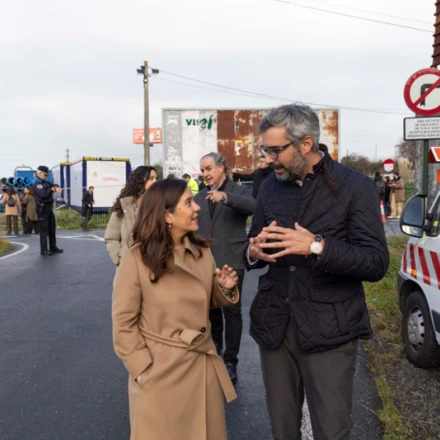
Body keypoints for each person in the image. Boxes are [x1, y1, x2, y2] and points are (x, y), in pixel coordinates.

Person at [245, 104, 389, 440]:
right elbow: (255, 242)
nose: (269, 158)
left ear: (305, 144)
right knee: (283, 430)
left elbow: (375, 262)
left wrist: (316, 246)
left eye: (276, 150)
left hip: (331, 329)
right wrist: (253, 252)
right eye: (265, 149)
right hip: (276, 326)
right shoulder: (269, 187)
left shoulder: (354, 186)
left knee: (331, 430)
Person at [112, 178, 239, 440]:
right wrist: (143, 370)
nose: (198, 208)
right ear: (167, 215)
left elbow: (200, 301)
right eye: (188, 203)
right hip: (160, 374)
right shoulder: (136, 259)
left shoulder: (202, 252)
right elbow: (123, 324)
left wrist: (223, 289)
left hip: (202, 369)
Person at [194, 152, 255, 384]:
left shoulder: (238, 191)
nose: (205, 174)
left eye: (208, 169)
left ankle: (231, 361)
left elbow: (252, 207)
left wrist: (225, 197)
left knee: (232, 312)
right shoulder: (199, 197)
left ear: (222, 168)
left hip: (231, 261)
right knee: (211, 312)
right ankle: (215, 353)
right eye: (202, 170)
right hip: (206, 264)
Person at [104, 166, 157, 266]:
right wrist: (120, 259)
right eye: (151, 178)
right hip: (129, 267)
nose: (155, 181)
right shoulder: (124, 205)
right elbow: (111, 237)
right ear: (140, 181)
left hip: (153, 266)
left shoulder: (159, 205)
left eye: (156, 178)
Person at [32, 165, 63, 256]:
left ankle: (53, 247)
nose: (46, 176)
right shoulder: (36, 184)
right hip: (42, 208)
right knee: (44, 230)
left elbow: (53, 185)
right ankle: (44, 249)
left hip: (49, 208)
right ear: (40, 173)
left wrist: (56, 187)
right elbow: (43, 194)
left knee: (52, 228)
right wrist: (52, 190)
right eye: (45, 175)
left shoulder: (45, 182)